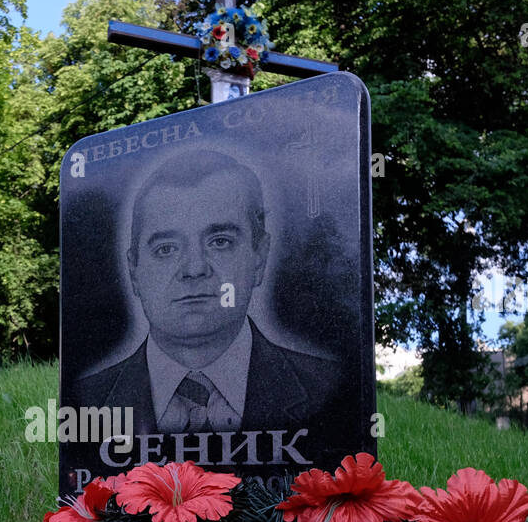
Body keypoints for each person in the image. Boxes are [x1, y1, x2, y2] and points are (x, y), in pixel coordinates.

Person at [75, 149, 339, 435]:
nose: (194, 269)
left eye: (220, 242)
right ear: (134, 270)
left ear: (260, 257)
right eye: (166, 249)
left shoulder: (332, 389)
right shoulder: (85, 402)